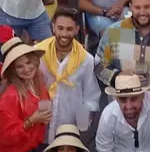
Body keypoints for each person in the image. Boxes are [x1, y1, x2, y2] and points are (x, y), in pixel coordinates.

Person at [34, 7, 101, 135]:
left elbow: (91, 95)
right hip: (40, 123)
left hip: (70, 125)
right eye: (60, 28)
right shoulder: (38, 53)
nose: (64, 34)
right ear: (53, 28)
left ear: (77, 30)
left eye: (69, 29)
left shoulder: (86, 59)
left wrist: (85, 119)